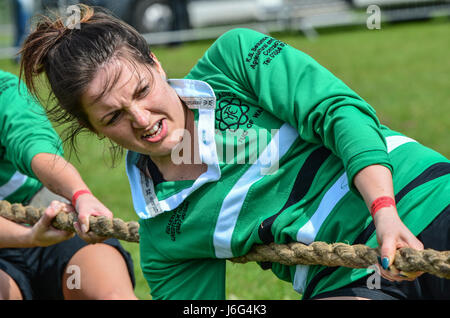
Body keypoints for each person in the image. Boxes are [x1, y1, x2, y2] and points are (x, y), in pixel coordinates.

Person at [19, 5, 449, 300]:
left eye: (143, 90)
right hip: (345, 278)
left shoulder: (235, 60)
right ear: (92, 129)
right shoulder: (163, 239)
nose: (142, 118)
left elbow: (339, 112)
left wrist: (385, 212)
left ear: (155, 63)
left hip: (422, 200)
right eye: (113, 117)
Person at [0, 69, 137, 300]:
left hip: (51, 213)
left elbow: (33, 142)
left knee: (112, 296)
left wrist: (79, 194)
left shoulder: (4, 90)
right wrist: (29, 237)